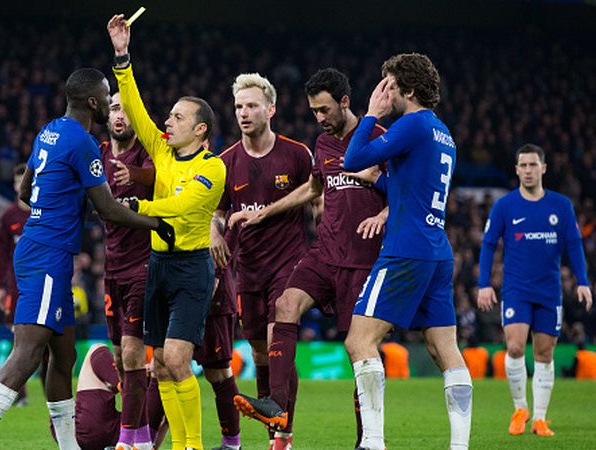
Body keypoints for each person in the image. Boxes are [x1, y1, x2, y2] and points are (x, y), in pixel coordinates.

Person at [0, 67, 175, 450]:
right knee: (27, 353)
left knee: (64, 354)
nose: (109, 103)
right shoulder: (83, 142)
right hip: (48, 255)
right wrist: (156, 222)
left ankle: (69, 447)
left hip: (43, 250)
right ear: (93, 101)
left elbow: (26, 189)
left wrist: (61, 202)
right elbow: (107, 209)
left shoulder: (48, 131)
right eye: (107, 96)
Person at [230, 68, 387, 450]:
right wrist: (266, 212)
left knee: (359, 351)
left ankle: (366, 437)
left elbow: (408, 188)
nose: (319, 118)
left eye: (324, 110)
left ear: (345, 102)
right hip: (324, 252)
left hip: (362, 260)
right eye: (314, 111)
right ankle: (277, 407)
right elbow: (315, 186)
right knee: (286, 304)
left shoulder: (382, 140)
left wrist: (385, 214)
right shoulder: (323, 144)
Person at [341, 53, 471, 450]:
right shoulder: (441, 132)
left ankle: (374, 442)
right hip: (437, 251)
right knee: (443, 348)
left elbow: (352, 157)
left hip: (404, 250)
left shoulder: (412, 123)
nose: (384, 93)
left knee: (359, 342)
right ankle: (460, 446)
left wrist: (369, 114)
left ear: (408, 90)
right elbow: (411, 192)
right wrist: (381, 180)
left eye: (389, 86)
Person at [109, 14, 227, 450]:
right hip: (157, 265)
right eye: (169, 116)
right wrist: (123, 57)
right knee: (158, 365)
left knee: (177, 361)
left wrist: (140, 206)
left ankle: (191, 446)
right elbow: (134, 107)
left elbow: (181, 208)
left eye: (177, 117)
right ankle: (181, 444)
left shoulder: (212, 167)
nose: (167, 121)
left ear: (200, 129)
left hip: (192, 270)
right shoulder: (161, 148)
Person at [210, 72, 312, 450]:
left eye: (252, 105)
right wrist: (214, 232)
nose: (244, 112)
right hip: (247, 268)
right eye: (238, 106)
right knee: (259, 352)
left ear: (270, 109)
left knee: (276, 339)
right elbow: (216, 213)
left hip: (289, 263)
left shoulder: (297, 155)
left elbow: (315, 197)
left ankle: (283, 435)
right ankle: (275, 427)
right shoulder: (224, 163)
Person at [477, 144, 592, 437]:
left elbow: (574, 245)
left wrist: (582, 281)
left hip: (549, 291)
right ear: (516, 170)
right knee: (515, 346)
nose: (527, 170)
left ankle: (540, 418)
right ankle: (520, 408)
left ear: (543, 168)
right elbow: (489, 244)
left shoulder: (561, 205)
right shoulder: (505, 206)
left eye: (532, 165)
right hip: (516, 289)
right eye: (523, 166)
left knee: (544, 353)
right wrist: (484, 284)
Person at [100, 92, 157, 450]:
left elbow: (161, 177)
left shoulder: (148, 152)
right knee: (120, 355)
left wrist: (133, 174)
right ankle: (143, 436)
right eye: (114, 108)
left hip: (143, 266)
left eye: (125, 109)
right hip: (111, 267)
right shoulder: (100, 153)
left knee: (134, 352)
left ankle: (125, 443)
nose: (119, 114)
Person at [195, 226, 241, 450]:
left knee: (218, 373)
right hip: (180, 282)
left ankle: (232, 444)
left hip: (215, 299)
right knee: (164, 365)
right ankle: (145, 441)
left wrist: (215, 275)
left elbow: (226, 245)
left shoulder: (222, 198)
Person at [0, 163, 33, 406]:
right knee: (17, 338)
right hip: (15, 286)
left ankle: (52, 394)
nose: (21, 186)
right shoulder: (9, 216)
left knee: (43, 340)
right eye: (18, 182)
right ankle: (21, 393)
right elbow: (2, 253)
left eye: (24, 181)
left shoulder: (41, 212)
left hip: (39, 281)